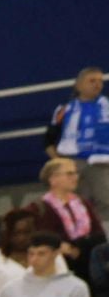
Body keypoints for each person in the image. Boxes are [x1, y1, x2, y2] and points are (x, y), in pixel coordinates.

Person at [45, 66, 109, 226]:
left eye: (100, 81)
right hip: (73, 163)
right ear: (78, 85)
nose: (97, 85)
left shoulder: (106, 107)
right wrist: (59, 163)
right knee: (75, 201)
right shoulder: (64, 110)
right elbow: (48, 140)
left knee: (106, 200)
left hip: (103, 164)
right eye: (92, 81)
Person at [29, 158, 106, 278]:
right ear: (53, 179)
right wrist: (63, 247)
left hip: (89, 266)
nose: (75, 177)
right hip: (60, 269)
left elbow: (99, 234)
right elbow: (39, 238)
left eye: (76, 173)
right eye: (69, 173)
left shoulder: (83, 203)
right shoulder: (38, 208)